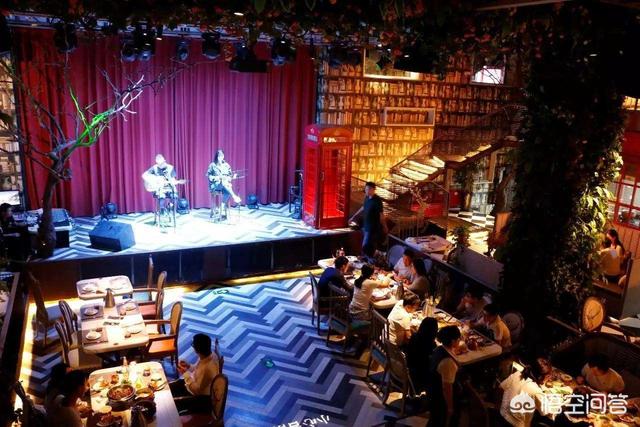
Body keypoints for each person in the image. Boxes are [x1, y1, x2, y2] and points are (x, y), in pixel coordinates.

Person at [172, 333, 220, 412]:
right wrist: (188, 366)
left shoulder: (207, 368)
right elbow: (197, 369)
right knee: (171, 387)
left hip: (201, 399)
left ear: (197, 349)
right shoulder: (208, 355)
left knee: (173, 404)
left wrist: (185, 374)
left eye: (193, 345)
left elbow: (197, 390)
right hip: (193, 385)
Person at [499, 358, 550, 427]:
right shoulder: (536, 391)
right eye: (548, 376)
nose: (548, 378)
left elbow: (501, 387)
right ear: (540, 377)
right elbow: (546, 412)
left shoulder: (517, 374)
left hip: (502, 415)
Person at [428, 325, 462, 427]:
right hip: (440, 399)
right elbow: (446, 387)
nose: (459, 341)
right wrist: (450, 407)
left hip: (433, 392)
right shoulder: (448, 362)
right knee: (443, 421)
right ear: (453, 341)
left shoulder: (439, 349)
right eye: (458, 339)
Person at [348, 182, 387, 259]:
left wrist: (385, 226)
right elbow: (363, 207)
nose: (366, 191)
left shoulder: (377, 200)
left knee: (366, 246)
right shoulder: (367, 198)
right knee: (367, 245)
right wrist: (354, 216)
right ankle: (366, 259)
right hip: (365, 226)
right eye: (365, 189)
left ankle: (366, 260)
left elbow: (381, 215)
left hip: (372, 228)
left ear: (373, 189)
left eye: (368, 189)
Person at [142, 154, 182, 225]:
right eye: (159, 164)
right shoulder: (154, 168)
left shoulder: (170, 168)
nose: (161, 165)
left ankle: (169, 207)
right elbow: (144, 175)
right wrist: (153, 181)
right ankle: (162, 211)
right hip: (158, 189)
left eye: (162, 163)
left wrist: (173, 182)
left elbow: (173, 180)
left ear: (164, 161)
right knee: (161, 196)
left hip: (169, 188)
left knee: (174, 196)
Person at [405, 317, 438, 392]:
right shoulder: (429, 343)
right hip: (421, 371)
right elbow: (432, 358)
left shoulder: (414, 336)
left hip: (411, 365)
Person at [207, 149, 242, 218]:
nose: (221, 157)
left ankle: (222, 206)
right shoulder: (212, 165)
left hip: (225, 185)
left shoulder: (227, 165)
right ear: (217, 157)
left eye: (222, 156)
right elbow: (209, 176)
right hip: (215, 185)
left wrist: (232, 177)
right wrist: (216, 177)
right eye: (219, 156)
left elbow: (230, 176)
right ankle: (234, 196)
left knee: (227, 189)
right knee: (227, 185)